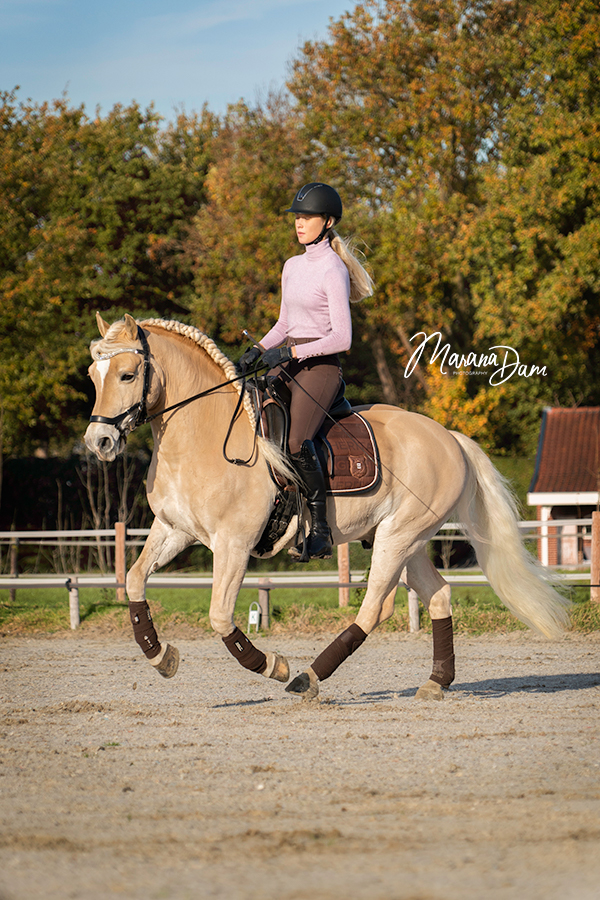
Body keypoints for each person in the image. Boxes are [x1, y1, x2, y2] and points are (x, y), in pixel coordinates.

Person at [239, 182, 374, 560]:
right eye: (297, 218)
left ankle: (320, 528)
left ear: (327, 221)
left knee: (297, 442)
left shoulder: (333, 269)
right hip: (290, 360)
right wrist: (258, 349)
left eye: (307, 218)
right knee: (252, 413)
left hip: (320, 369)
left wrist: (291, 351)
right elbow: (284, 323)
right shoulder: (291, 266)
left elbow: (342, 338)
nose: (299, 224)